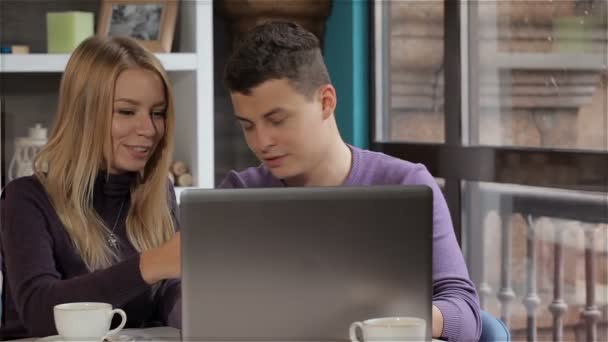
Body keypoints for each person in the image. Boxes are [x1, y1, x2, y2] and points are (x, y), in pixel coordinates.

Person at [219, 22, 481, 342]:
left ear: (326, 102)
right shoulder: (238, 196)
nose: (262, 141)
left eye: (277, 120)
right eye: (248, 126)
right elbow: (186, 304)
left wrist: (389, 319)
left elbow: (465, 314)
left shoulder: (405, 184)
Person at [0, 36, 181, 339]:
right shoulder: (25, 200)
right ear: (84, 114)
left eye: (157, 113)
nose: (149, 130)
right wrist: (150, 264)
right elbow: (40, 310)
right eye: (126, 111)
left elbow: (168, 296)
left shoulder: (157, 193)